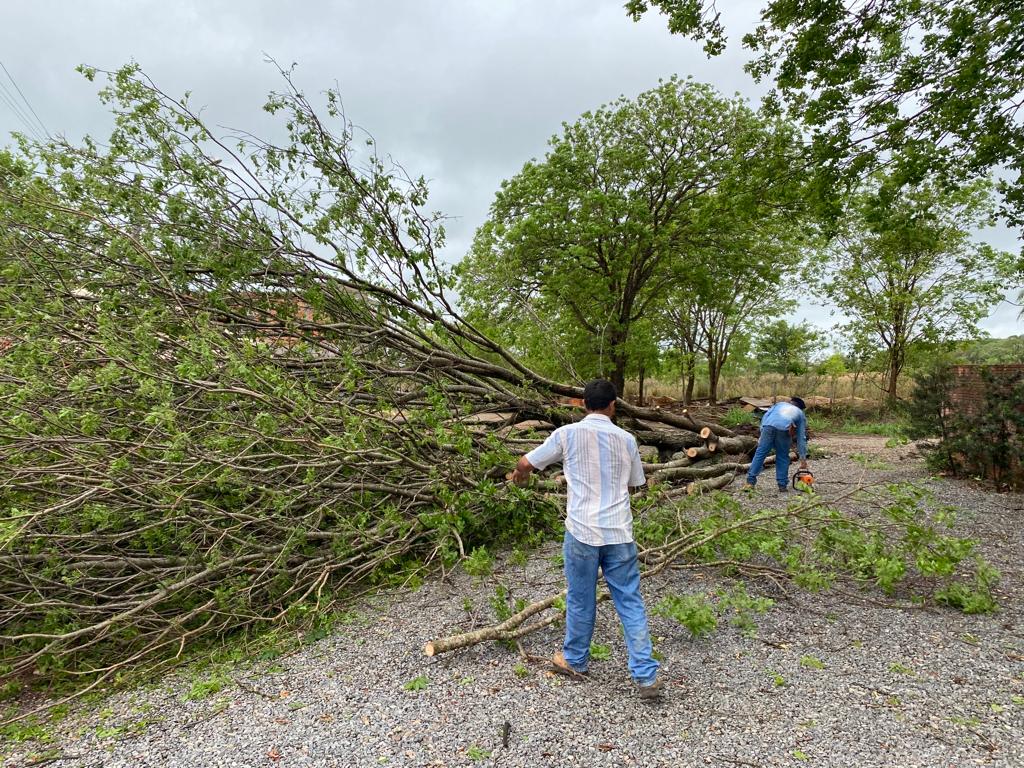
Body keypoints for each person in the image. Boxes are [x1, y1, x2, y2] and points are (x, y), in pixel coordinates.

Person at [509, 379, 663, 701]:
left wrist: (521, 481)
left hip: (582, 532)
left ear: (582, 404)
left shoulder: (566, 434)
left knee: (581, 598)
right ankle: (646, 675)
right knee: (630, 601)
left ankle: (576, 660)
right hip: (619, 532)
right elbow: (636, 483)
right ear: (613, 406)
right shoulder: (627, 439)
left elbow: (526, 463)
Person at [744, 396, 808, 492]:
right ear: (800, 408)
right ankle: (782, 485)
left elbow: (765, 417)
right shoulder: (800, 413)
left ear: (791, 403)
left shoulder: (779, 405)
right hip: (783, 430)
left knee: (760, 454)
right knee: (782, 456)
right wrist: (803, 458)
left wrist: (762, 434)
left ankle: (750, 483)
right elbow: (801, 437)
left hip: (768, 427)